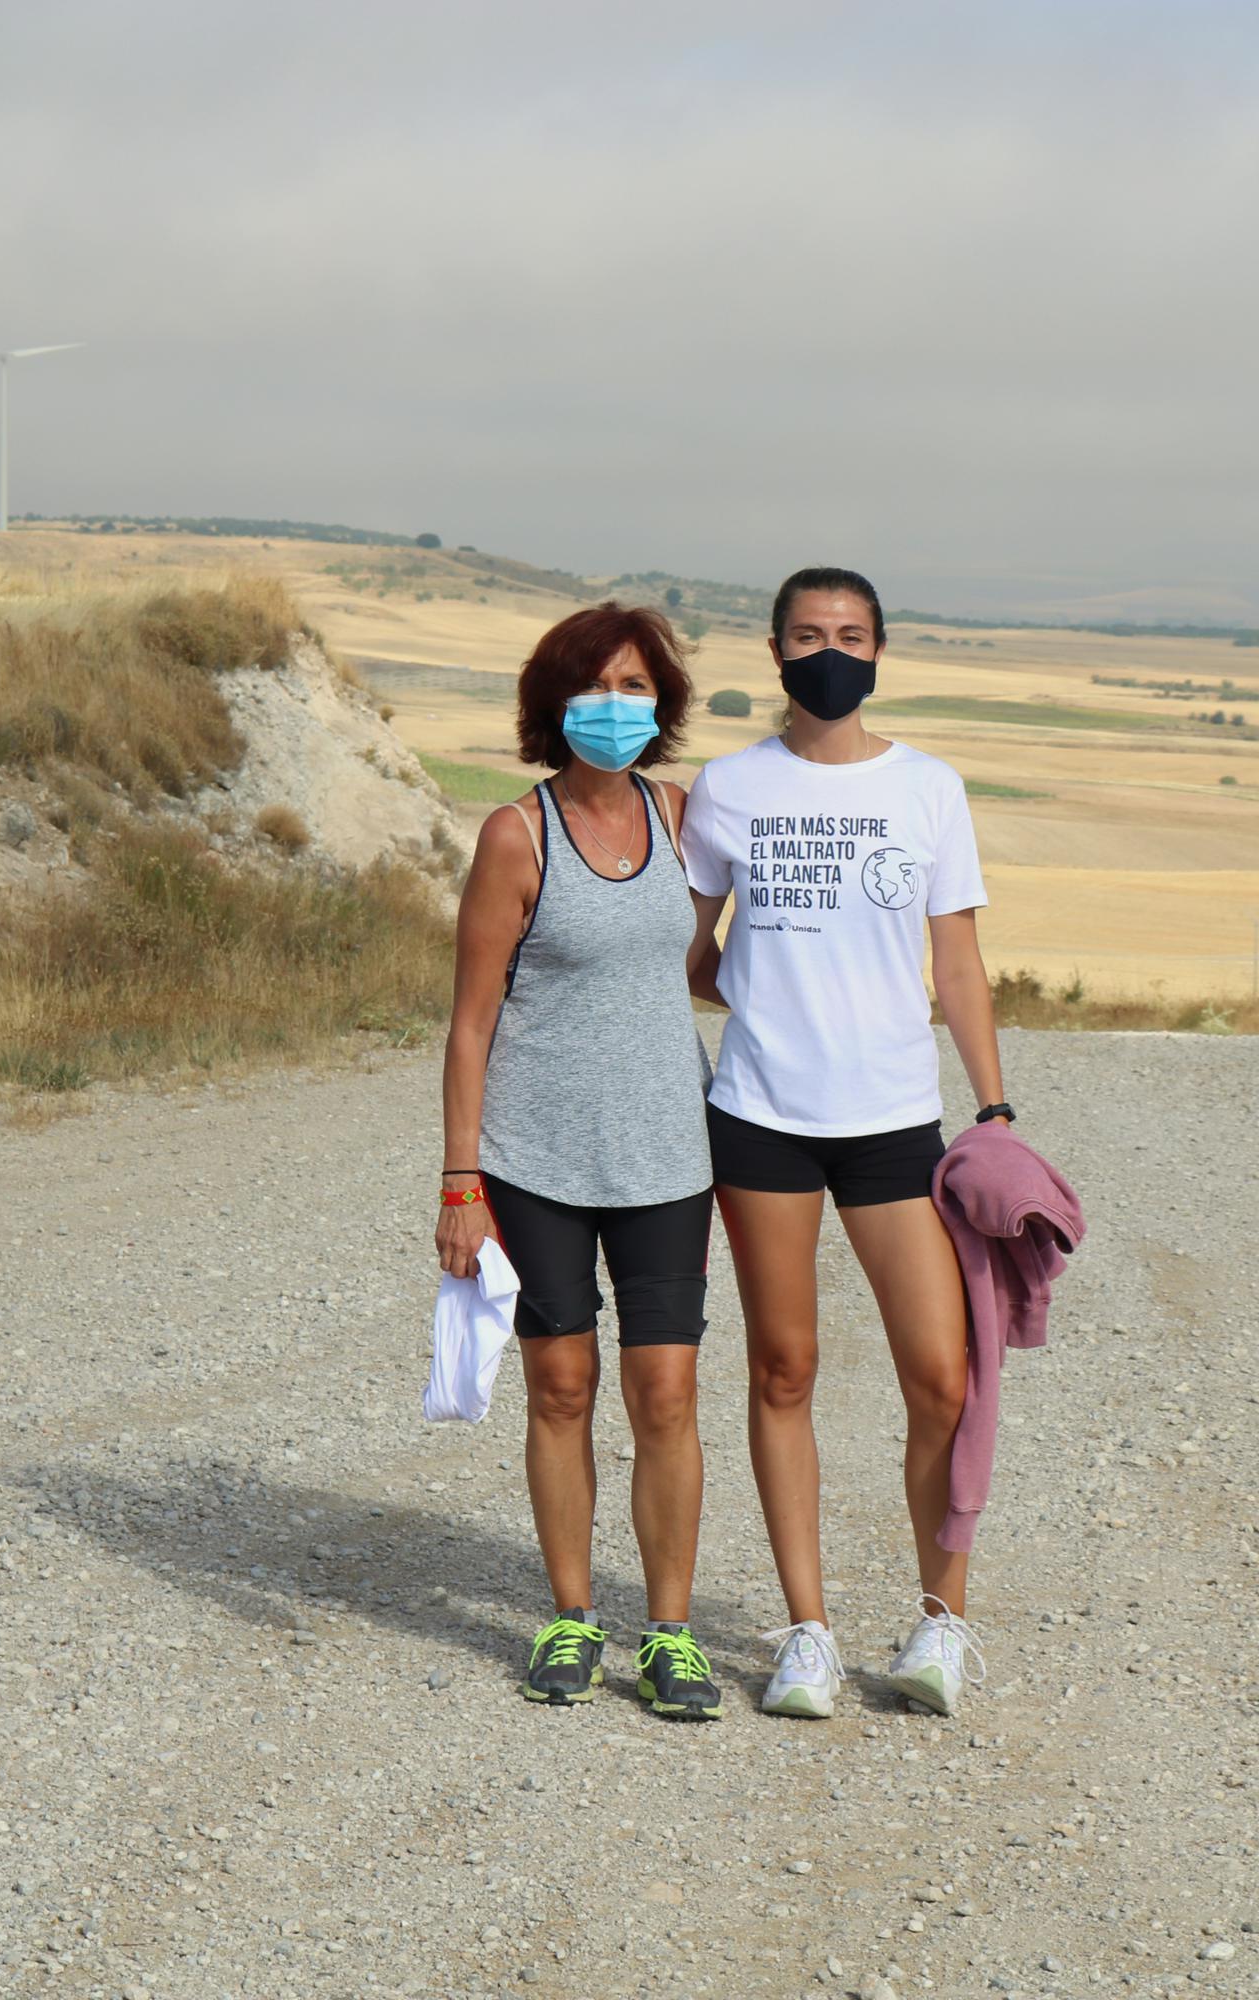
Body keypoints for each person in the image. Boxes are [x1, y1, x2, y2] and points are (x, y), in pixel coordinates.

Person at [681, 565, 1010, 1719]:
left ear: (882, 649)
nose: (832, 649)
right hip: (761, 1116)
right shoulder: (725, 789)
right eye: (810, 632)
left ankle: (939, 1625)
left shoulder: (929, 788)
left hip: (892, 1123)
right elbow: (689, 946)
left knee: (944, 1376)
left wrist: (995, 1105)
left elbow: (957, 962)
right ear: (774, 647)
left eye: (853, 633)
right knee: (783, 1368)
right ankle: (807, 1634)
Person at [436, 600, 724, 1721]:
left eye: (637, 686)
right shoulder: (517, 834)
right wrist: (462, 1183)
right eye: (596, 685)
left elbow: (697, 968)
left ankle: (671, 1632)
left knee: (668, 1390)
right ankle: (568, 1615)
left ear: (663, 704)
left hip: (667, 1155)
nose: (618, 705)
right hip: (535, 1158)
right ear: (553, 701)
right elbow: (469, 1021)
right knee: (561, 1386)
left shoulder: (684, 815)